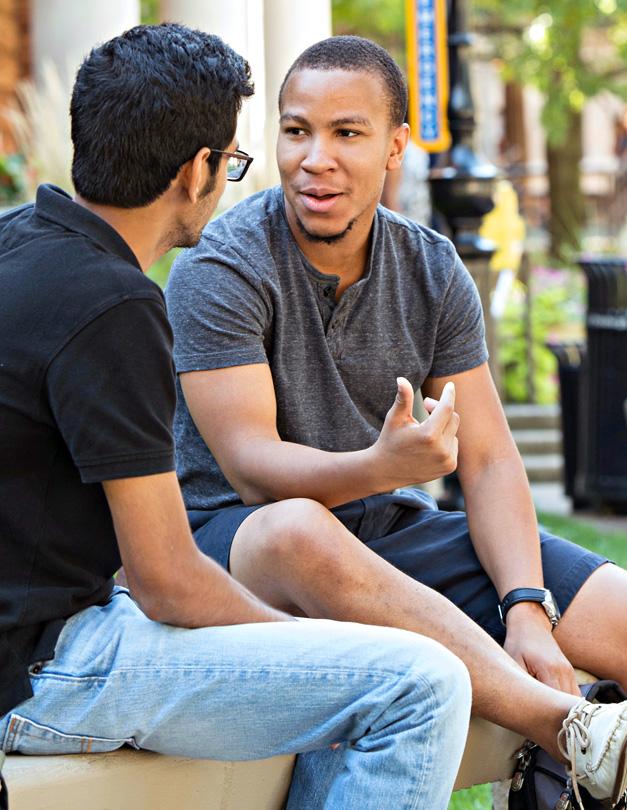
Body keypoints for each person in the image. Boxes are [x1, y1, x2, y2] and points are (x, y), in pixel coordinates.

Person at [0, 25, 476, 809]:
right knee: (419, 683)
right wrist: (305, 646)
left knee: (346, 677)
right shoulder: (114, 304)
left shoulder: (3, 244)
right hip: (15, 677)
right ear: (196, 171)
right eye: (230, 161)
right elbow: (167, 581)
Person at [165, 35, 627, 807]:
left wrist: (524, 608)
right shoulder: (222, 265)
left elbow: (486, 462)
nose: (315, 158)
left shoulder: (431, 266)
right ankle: (571, 734)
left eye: (346, 133)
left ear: (394, 147)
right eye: (295, 130)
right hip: (236, 539)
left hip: (388, 531)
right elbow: (248, 463)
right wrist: (380, 466)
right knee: (298, 528)